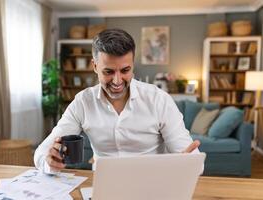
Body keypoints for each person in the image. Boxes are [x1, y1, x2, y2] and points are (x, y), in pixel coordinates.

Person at [34, 29, 200, 174]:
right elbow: (41, 154)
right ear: (94, 66)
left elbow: (194, 161)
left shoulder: (159, 100)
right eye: (108, 71)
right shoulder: (83, 102)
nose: (117, 81)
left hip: (152, 185)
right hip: (103, 187)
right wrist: (50, 163)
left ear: (132, 65)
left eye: (125, 70)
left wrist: (188, 163)